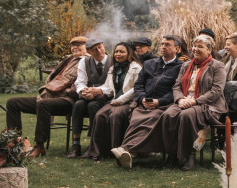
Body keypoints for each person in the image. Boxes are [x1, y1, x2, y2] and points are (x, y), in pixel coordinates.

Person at [6, 36, 88, 158]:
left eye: (79, 45)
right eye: (72, 45)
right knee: (13, 103)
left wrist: (65, 91)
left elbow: (82, 86)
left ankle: (39, 146)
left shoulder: (87, 61)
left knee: (43, 104)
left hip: (68, 100)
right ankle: (15, 143)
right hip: (49, 97)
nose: (74, 47)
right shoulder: (68, 59)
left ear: (87, 47)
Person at [110, 36, 183, 169]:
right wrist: (142, 98)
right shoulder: (150, 64)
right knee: (136, 119)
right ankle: (129, 151)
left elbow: (178, 89)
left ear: (177, 49)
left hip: (163, 105)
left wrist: (159, 102)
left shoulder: (181, 67)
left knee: (150, 119)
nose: (163, 47)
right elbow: (138, 85)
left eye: (167, 45)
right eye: (162, 44)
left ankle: (127, 150)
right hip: (144, 103)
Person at [156, 34, 227, 170]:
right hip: (185, 101)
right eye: (194, 46)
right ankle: (172, 155)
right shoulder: (186, 65)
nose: (195, 49)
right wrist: (180, 99)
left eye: (200, 46)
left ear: (209, 50)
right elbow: (176, 86)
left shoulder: (217, 66)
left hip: (208, 105)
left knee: (186, 115)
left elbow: (216, 91)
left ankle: (190, 155)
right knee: (168, 114)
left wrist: (195, 101)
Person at [82, 43, 142, 160]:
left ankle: (117, 150)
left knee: (115, 115)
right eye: (116, 51)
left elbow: (137, 88)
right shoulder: (113, 68)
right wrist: (95, 90)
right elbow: (108, 87)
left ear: (129, 53)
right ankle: (98, 151)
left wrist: (120, 100)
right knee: (100, 115)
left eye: (122, 52)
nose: (118, 54)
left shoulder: (136, 68)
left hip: (129, 101)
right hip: (115, 101)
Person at [68, 38, 113, 158]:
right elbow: (80, 81)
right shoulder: (84, 61)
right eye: (94, 49)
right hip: (89, 96)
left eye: (100, 47)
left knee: (93, 106)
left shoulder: (112, 61)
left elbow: (112, 85)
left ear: (104, 45)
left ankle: (93, 145)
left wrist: (98, 91)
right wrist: (84, 91)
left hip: (107, 97)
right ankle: (76, 145)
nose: (98, 51)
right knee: (78, 105)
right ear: (89, 52)